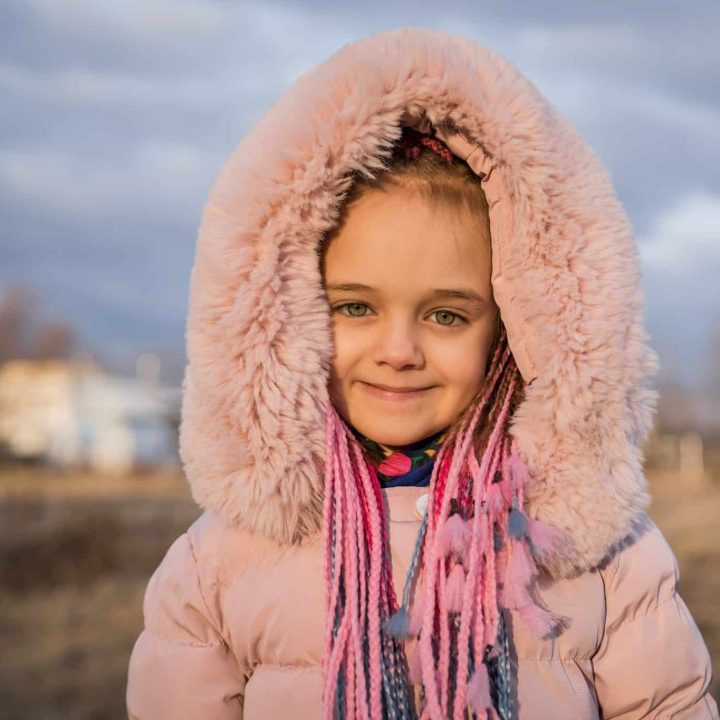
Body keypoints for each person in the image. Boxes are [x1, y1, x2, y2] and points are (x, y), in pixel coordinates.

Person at [125, 27, 718, 719]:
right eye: (355, 306)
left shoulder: (602, 556)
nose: (399, 350)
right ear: (284, 315)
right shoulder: (220, 563)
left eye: (446, 316)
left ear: (510, 334)